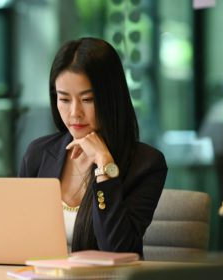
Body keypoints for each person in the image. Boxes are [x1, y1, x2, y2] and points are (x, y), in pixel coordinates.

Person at [19, 37, 168, 257]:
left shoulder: (145, 165)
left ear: (111, 99)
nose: (74, 113)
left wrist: (105, 165)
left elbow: (117, 249)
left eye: (87, 100)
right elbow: (18, 236)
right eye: (64, 99)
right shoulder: (38, 154)